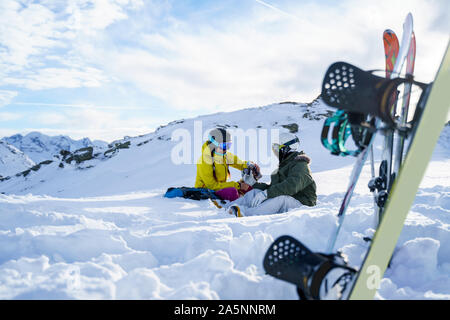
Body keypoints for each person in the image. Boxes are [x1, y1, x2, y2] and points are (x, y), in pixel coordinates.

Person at [227, 132, 317, 217]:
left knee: (281, 199)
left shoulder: (300, 165)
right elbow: (273, 188)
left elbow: (292, 186)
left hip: (303, 203)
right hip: (289, 198)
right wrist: (253, 184)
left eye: (277, 148)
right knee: (256, 192)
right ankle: (228, 209)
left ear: (285, 149)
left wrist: (267, 194)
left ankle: (246, 214)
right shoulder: (284, 166)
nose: (275, 152)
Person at [195, 128, 258, 202]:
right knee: (232, 192)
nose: (226, 149)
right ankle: (237, 207)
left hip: (220, 188)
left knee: (249, 185)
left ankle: (249, 201)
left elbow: (240, 163)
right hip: (207, 191)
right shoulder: (204, 160)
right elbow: (212, 186)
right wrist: (238, 185)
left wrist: (250, 165)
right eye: (224, 145)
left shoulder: (223, 155)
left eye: (229, 145)